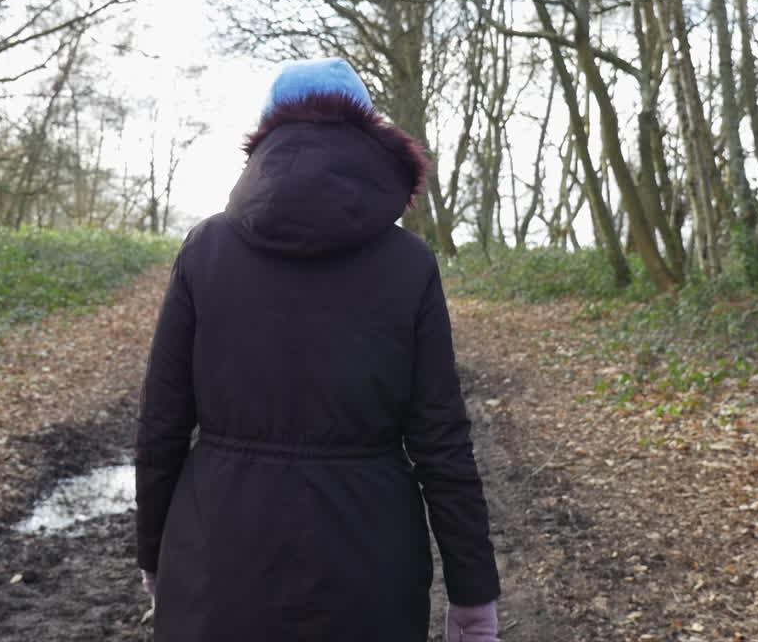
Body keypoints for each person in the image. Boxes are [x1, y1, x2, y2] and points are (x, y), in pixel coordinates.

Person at [135, 58, 501, 642]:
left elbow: (161, 424)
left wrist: (154, 550)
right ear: (369, 132)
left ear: (265, 137)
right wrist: (473, 594)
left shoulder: (206, 250)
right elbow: (442, 440)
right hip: (369, 568)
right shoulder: (409, 264)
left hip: (218, 560)